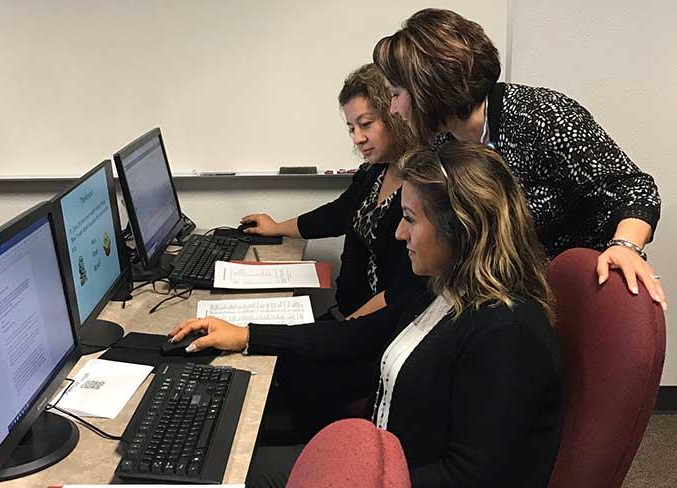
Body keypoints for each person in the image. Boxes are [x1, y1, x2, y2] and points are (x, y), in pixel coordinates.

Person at [170, 142, 562, 487]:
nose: (399, 234)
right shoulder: (444, 289)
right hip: (372, 462)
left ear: (460, 228)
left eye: (410, 219)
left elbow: (472, 478)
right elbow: (357, 334)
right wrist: (248, 335)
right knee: (224, 467)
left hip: (388, 477)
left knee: (228, 474)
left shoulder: (506, 334)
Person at [372, 8, 666, 311]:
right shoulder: (447, 145)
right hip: (506, 300)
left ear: (427, 88)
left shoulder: (541, 116)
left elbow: (633, 188)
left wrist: (625, 246)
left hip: (576, 300)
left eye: (396, 94)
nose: (393, 109)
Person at [240, 63, 421, 319]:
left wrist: (338, 332)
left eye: (366, 124)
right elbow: (338, 214)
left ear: (394, 115)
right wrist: (277, 227)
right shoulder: (376, 172)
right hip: (347, 318)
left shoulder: (421, 188)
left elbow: (403, 290)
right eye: (351, 128)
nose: (357, 138)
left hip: (375, 330)